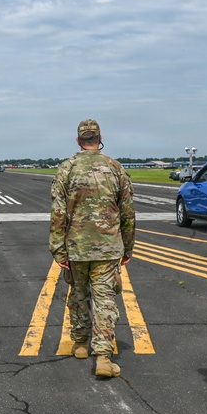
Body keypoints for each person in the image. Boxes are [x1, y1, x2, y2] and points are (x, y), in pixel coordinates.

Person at [49, 119, 135, 378]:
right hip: (107, 247)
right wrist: (127, 247)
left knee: (78, 293)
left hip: (76, 246)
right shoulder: (115, 168)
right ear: (100, 138)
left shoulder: (67, 169)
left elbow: (57, 213)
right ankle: (104, 356)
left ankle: (79, 343)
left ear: (78, 140)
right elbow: (127, 213)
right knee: (105, 299)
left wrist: (58, 250)